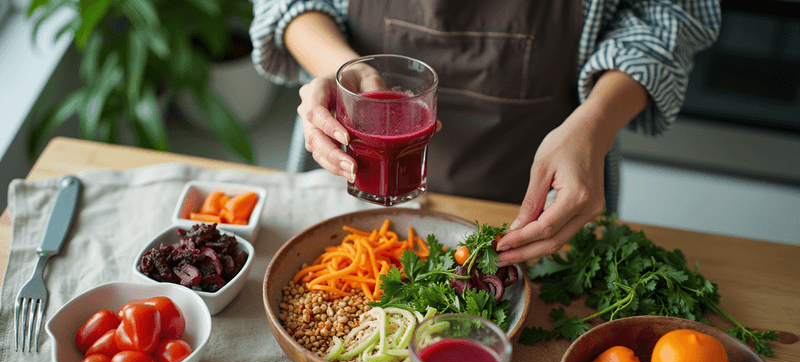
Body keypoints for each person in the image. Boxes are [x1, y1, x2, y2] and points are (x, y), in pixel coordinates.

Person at [249, 0, 721, 265]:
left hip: (534, 197)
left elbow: (670, 18)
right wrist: (347, 73)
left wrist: (596, 122)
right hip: (349, 188)